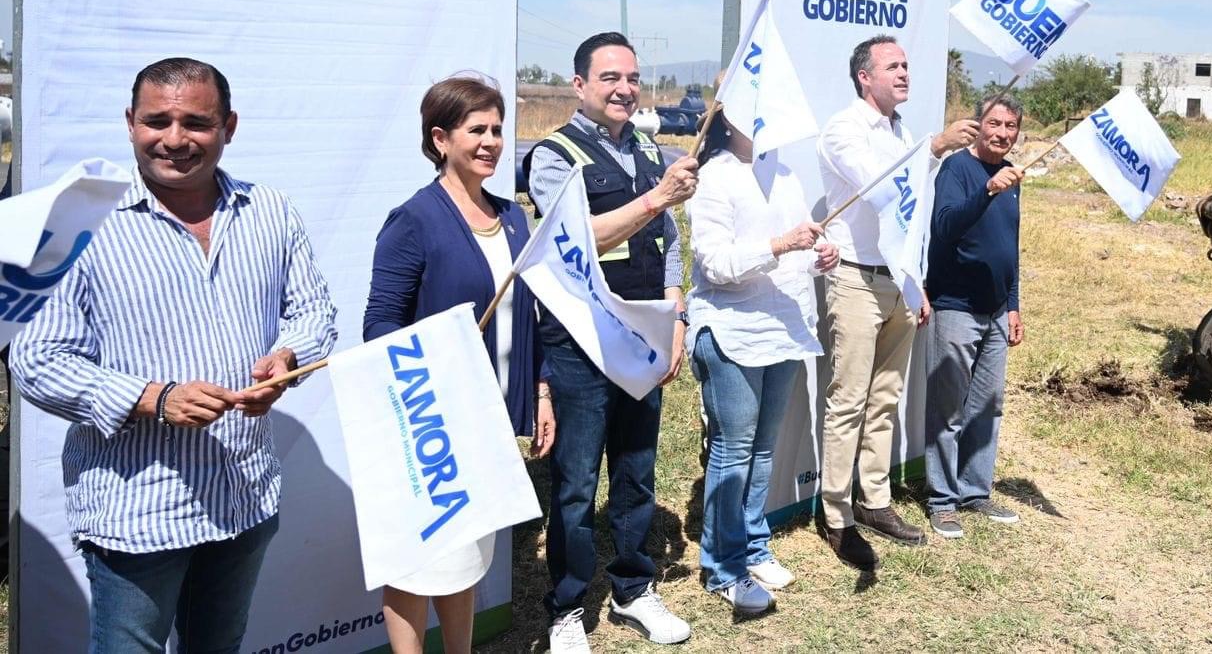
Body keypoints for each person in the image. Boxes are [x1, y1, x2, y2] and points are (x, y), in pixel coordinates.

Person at [11, 57, 337, 654]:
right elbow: (35, 360)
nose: (175, 139)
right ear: (129, 123)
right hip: (139, 508)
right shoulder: (78, 224)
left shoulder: (269, 211)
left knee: (218, 646)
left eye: (197, 122)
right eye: (156, 120)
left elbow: (315, 311)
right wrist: (153, 398)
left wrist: (287, 359)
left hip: (244, 494)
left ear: (229, 126)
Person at [363, 74, 556, 654]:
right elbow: (379, 324)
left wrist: (540, 392)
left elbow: (532, 317)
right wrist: (436, 362)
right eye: (478, 130)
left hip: (491, 418)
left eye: (498, 130)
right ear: (441, 138)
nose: (492, 142)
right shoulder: (414, 220)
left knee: (468, 555)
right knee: (420, 557)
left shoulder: (514, 218)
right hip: (432, 421)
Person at [526, 32, 699, 652]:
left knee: (636, 469)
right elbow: (579, 238)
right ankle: (567, 607)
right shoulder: (553, 155)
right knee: (575, 485)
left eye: (631, 77)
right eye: (609, 78)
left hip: (643, 340)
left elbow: (671, 241)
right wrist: (658, 198)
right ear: (580, 85)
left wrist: (677, 317)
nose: (624, 88)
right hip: (581, 345)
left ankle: (633, 588)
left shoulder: (651, 151)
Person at [815, 35, 977, 568]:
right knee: (849, 401)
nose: (905, 73)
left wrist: (917, 282)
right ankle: (836, 515)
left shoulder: (900, 130)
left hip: (899, 280)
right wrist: (932, 147)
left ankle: (875, 501)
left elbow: (913, 215)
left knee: (885, 398)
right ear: (865, 76)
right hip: (858, 279)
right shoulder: (844, 129)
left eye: (907, 64)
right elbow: (881, 188)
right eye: (893, 66)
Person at [686, 111, 839, 616]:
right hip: (732, 330)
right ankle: (723, 566)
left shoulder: (787, 174)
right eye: (756, 110)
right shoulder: (714, 176)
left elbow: (799, 249)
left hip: (784, 329)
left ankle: (753, 545)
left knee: (764, 450)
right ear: (729, 121)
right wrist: (781, 244)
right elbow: (715, 264)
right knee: (733, 450)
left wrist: (818, 254)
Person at [923, 95, 1027, 539]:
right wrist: (987, 192)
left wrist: (1015, 302)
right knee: (948, 408)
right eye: (994, 123)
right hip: (955, 305)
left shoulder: (1013, 177)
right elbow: (945, 227)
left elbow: (1010, 245)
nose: (1002, 133)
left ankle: (974, 490)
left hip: (997, 310)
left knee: (987, 406)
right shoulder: (957, 169)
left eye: (1010, 126)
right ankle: (942, 500)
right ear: (978, 125)